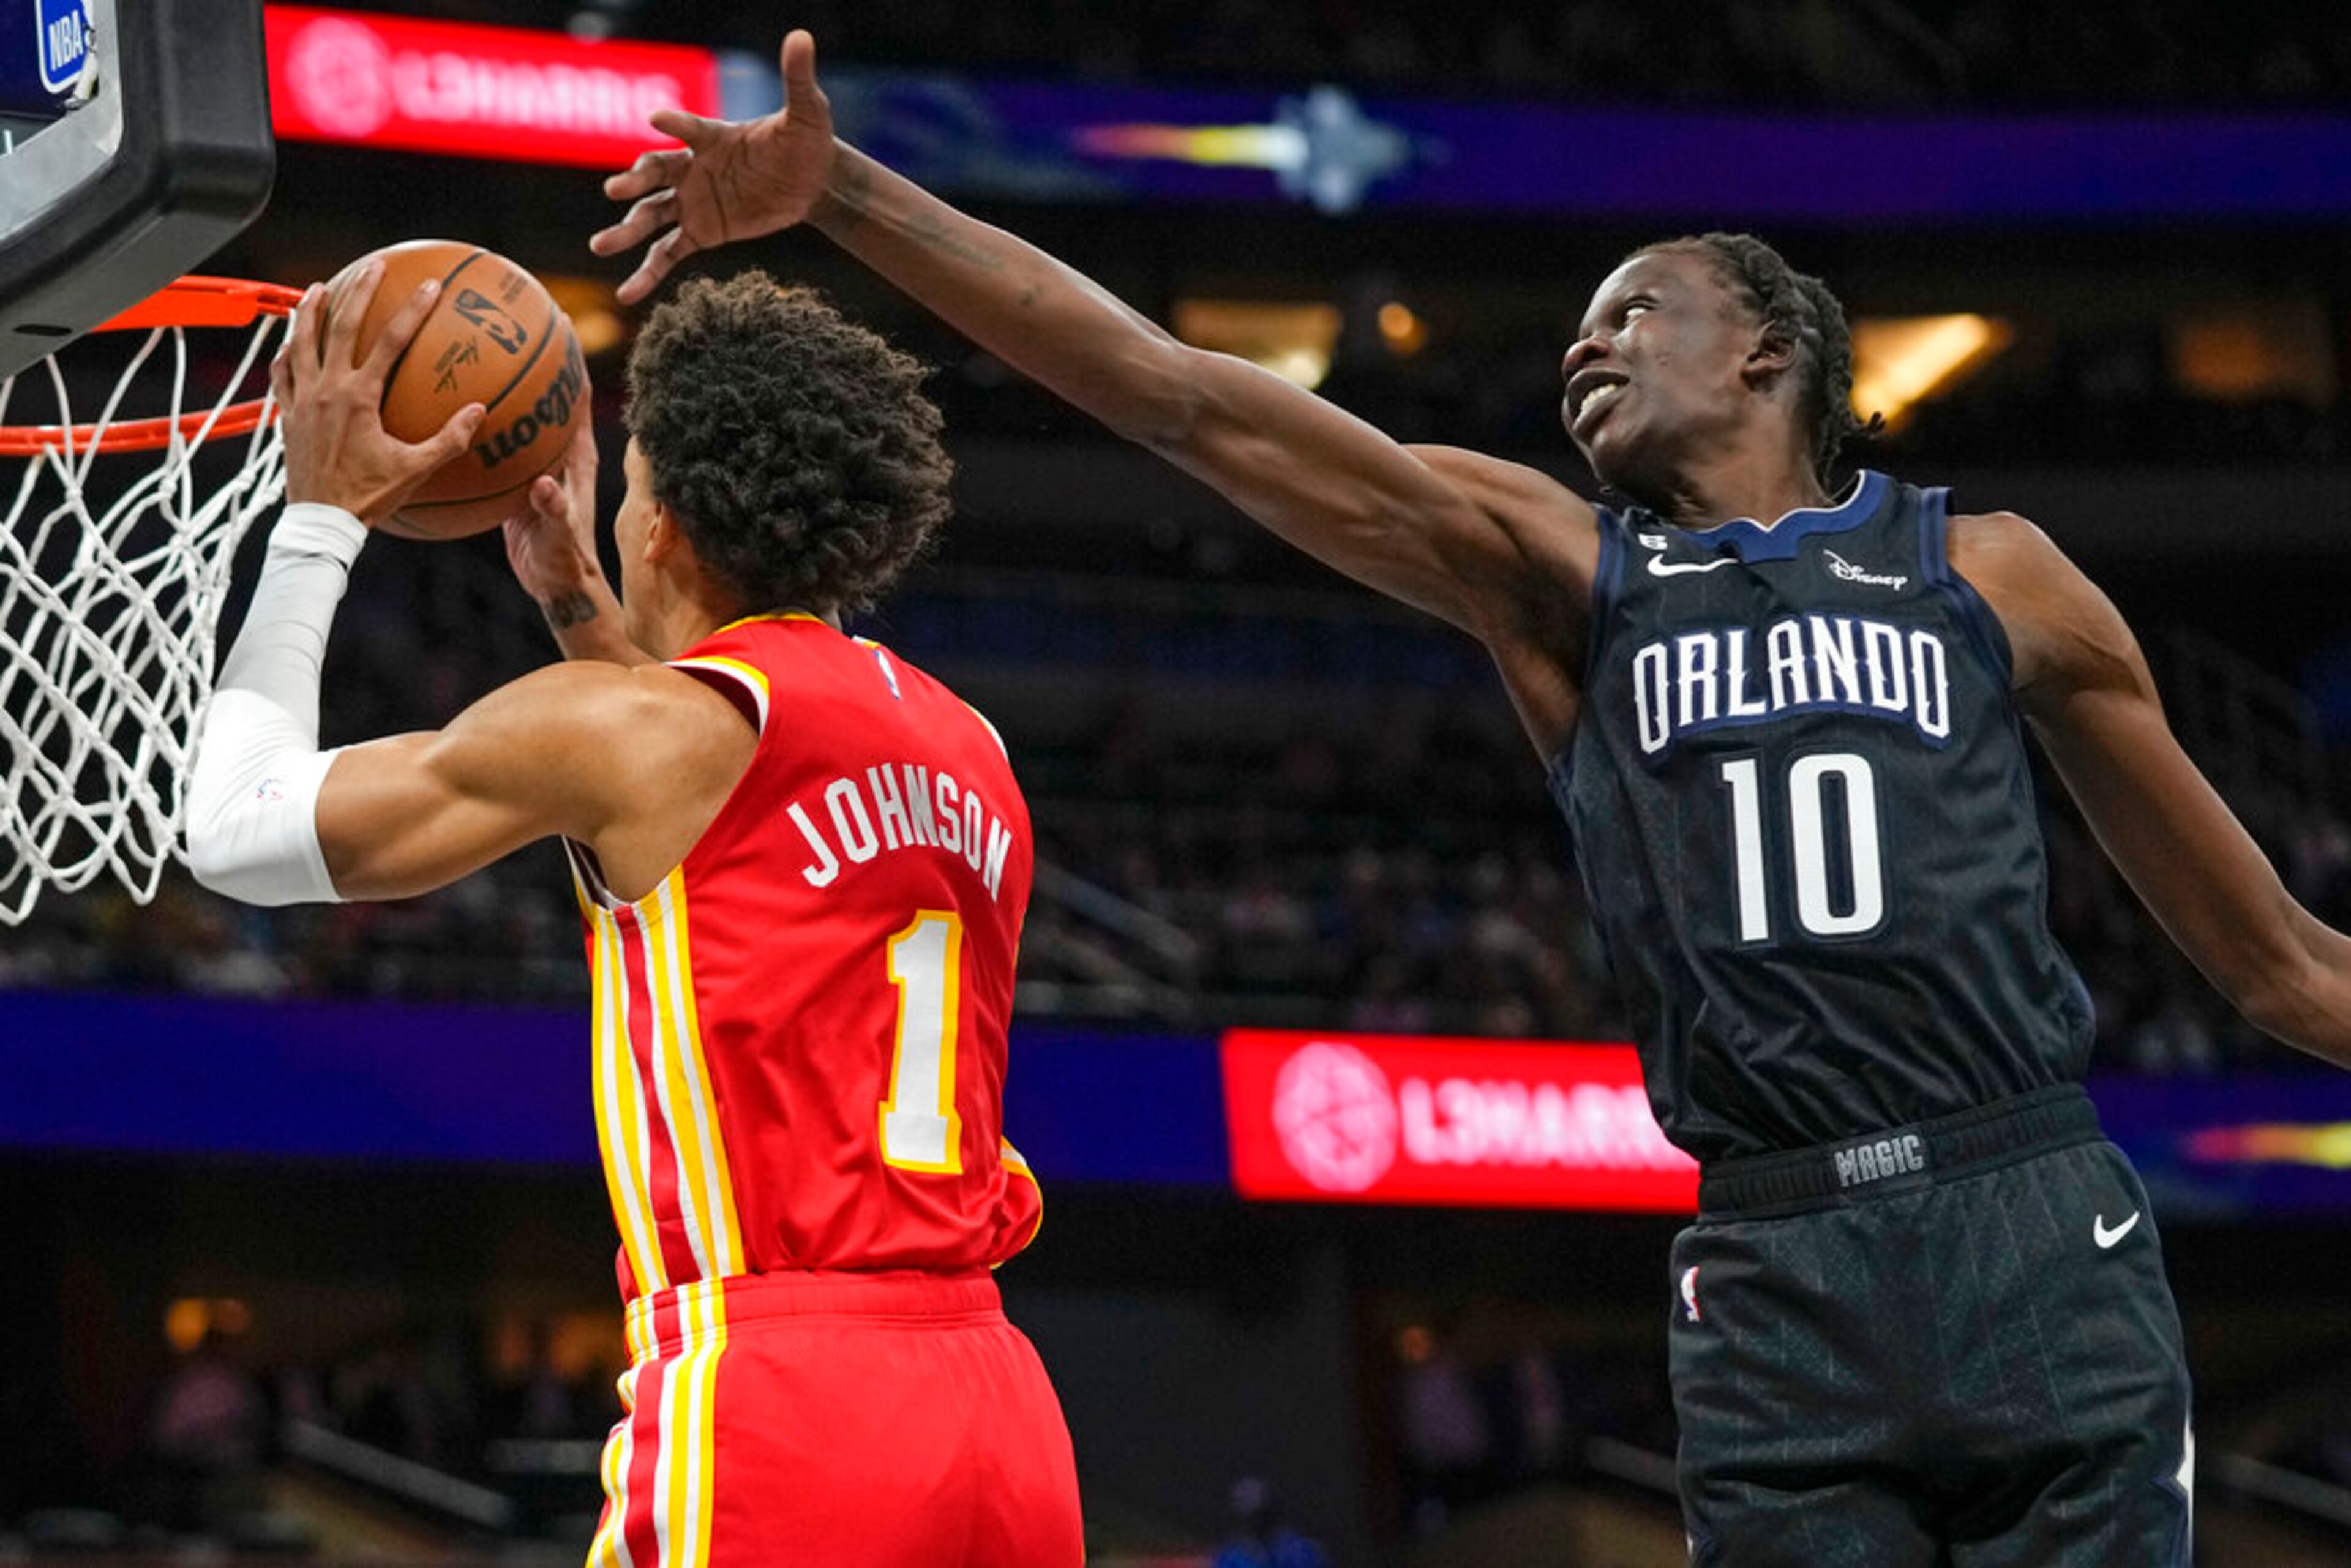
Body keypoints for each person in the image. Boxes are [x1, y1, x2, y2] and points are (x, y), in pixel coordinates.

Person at [588, 30, 2351, 1564]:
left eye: (1632, 314)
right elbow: (1188, 405)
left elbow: (2278, 965)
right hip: (1777, 1251)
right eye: (1576, 330)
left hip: (2027, 1209)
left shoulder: (1998, 571)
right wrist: (854, 201)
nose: (1584, 352)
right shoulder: (1566, 581)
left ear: (1766, 352)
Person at [182, 261, 1083, 1567]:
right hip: (998, 1406)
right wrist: (579, 615)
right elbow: (739, 815)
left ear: (658, 521)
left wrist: (318, 519)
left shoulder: (643, 736)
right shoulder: (971, 745)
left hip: (781, 1399)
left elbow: (234, 825)